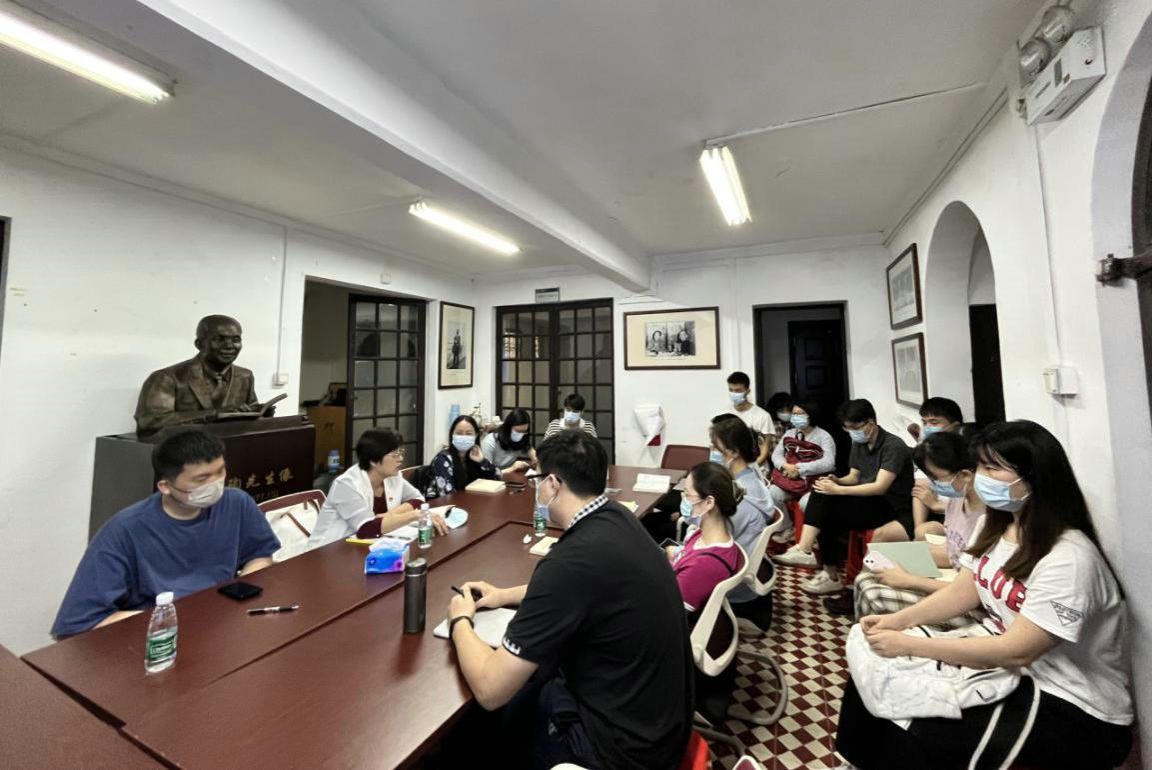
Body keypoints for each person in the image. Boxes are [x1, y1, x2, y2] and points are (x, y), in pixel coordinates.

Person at [836, 420, 1132, 770]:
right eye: (980, 467)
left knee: (915, 727)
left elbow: (1018, 650)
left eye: (993, 469)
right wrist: (897, 622)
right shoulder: (996, 525)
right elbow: (965, 590)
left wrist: (910, 645)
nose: (980, 478)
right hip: (1010, 666)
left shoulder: (1069, 558)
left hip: (1071, 701)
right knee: (870, 671)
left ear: (1035, 476)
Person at [446, 431, 693, 769]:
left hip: (617, 750)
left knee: (479, 729)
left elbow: (491, 690)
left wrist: (460, 620)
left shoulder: (569, 562)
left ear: (552, 483)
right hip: (659, 724)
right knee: (535, 678)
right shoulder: (617, 517)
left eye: (537, 480)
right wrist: (503, 595)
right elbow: (581, 588)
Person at [51, 429, 280, 637]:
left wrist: (239, 595)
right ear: (165, 486)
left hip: (222, 625)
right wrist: (169, 619)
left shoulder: (236, 503)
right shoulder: (125, 530)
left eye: (220, 472)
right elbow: (78, 623)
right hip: (160, 635)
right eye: (202, 479)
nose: (216, 484)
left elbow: (260, 555)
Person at [773, 399, 914, 599]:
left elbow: (880, 487)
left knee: (826, 509)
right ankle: (813, 558)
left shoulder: (893, 446)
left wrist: (838, 490)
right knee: (822, 492)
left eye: (854, 428)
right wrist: (836, 481)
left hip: (889, 505)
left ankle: (813, 558)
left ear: (870, 423)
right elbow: (854, 477)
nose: (851, 433)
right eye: (847, 428)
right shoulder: (859, 443)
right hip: (865, 499)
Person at [852, 430, 986, 625]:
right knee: (875, 561)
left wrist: (908, 580)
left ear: (965, 474)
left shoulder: (988, 519)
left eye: (935, 477)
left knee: (872, 590)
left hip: (970, 603)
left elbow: (973, 593)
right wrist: (906, 558)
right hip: (956, 580)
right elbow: (955, 553)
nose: (932, 484)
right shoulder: (957, 500)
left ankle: (880, 633)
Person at [306, 429, 446, 549]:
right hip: (328, 552)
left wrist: (391, 514)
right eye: (395, 454)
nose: (401, 459)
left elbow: (418, 499)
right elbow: (366, 528)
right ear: (373, 460)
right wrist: (414, 515)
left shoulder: (393, 476)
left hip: (366, 548)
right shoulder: (347, 484)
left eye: (401, 452)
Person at [134, 315, 267, 436]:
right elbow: (150, 422)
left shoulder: (244, 376)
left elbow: (249, 418)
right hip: (183, 449)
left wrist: (260, 413)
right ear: (199, 344)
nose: (229, 346)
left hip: (233, 448)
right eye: (219, 339)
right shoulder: (166, 378)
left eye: (236, 340)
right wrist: (215, 414)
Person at [706, 415, 774, 606]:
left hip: (734, 579)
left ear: (734, 452)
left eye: (715, 447)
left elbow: (715, 535)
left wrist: (693, 513)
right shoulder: (748, 477)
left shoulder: (742, 494)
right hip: (742, 562)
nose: (711, 451)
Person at [670, 462, 745, 624]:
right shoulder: (701, 534)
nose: (684, 500)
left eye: (687, 495)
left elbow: (668, 615)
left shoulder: (705, 564)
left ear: (709, 503)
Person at [766, 401, 837, 541]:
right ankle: (787, 528)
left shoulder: (824, 436)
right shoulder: (790, 433)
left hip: (813, 484)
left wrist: (800, 469)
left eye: (800, 414)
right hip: (790, 482)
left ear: (811, 415)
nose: (796, 417)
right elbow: (776, 455)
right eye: (794, 414)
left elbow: (829, 463)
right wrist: (785, 466)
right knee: (772, 493)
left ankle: (811, 538)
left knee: (806, 503)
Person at [426, 416, 501, 498]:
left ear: (476, 435)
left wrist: (482, 461)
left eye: (469, 434)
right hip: (443, 505)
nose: (464, 437)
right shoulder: (443, 459)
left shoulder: (473, 455)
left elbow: (498, 476)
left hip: (470, 501)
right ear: (452, 435)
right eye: (459, 433)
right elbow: (447, 496)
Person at [725, 372, 773, 466]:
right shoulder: (724, 414)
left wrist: (748, 469)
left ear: (747, 391)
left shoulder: (763, 416)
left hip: (756, 466)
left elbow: (764, 450)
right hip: (731, 466)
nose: (733, 394)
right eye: (731, 390)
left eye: (738, 391)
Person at [481, 409, 536, 477]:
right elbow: (486, 473)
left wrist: (534, 457)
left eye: (524, 431)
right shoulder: (489, 442)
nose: (521, 435)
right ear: (508, 428)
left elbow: (528, 449)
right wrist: (512, 468)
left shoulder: (521, 438)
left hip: (510, 476)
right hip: (493, 479)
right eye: (518, 431)